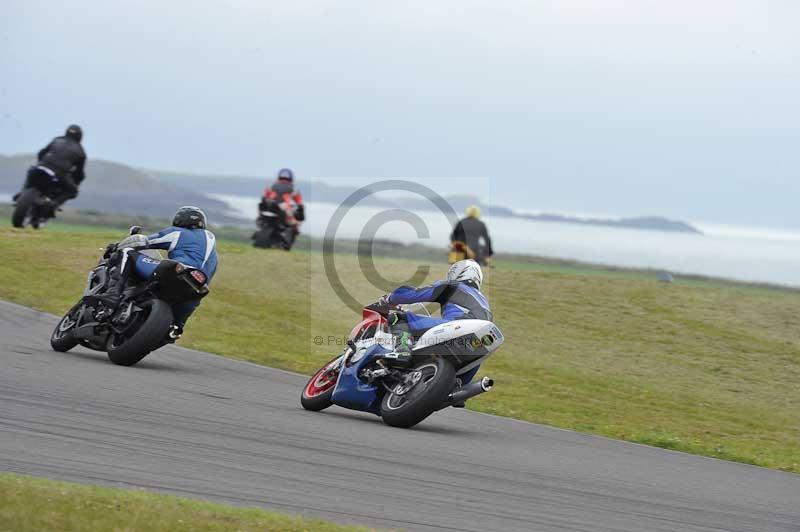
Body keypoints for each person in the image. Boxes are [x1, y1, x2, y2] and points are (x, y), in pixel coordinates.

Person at [99, 206, 218, 341]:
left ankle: (113, 294)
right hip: (198, 286)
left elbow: (143, 242)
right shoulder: (213, 252)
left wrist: (117, 246)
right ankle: (174, 329)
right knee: (176, 326)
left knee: (127, 253)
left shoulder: (178, 232)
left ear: (179, 220)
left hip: (175, 271)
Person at [376, 259, 491, 389]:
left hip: (456, 325)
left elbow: (413, 295)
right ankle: (460, 388)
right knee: (478, 352)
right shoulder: (484, 302)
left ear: (460, 272)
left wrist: (390, 298)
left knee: (399, 317)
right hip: (478, 340)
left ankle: (402, 351)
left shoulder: (452, 286)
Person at [15, 125, 87, 212]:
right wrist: (76, 181)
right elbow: (79, 173)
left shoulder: (57, 140)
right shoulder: (81, 152)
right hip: (59, 174)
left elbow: (41, 153)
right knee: (73, 191)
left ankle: (22, 193)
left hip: (41, 167)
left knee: (31, 171)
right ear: (80, 137)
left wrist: (41, 164)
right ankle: (53, 205)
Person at [256, 168, 305, 248]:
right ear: (291, 178)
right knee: (294, 222)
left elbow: (265, 196)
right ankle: (290, 233)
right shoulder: (293, 188)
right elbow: (299, 202)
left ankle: (261, 221)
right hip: (282, 208)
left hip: (269, 206)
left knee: (262, 210)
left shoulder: (271, 186)